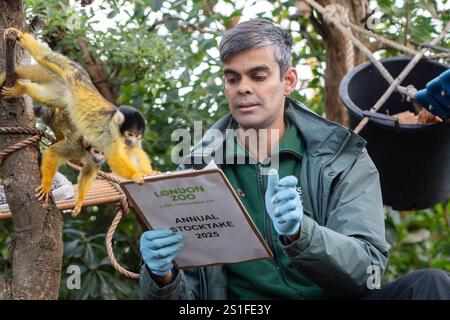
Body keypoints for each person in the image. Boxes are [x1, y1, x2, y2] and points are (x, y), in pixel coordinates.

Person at [139, 19, 450, 300]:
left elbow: (367, 271)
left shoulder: (343, 157)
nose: (243, 88)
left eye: (258, 76)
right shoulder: (195, 172)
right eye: (232, 79)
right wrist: (161, 277)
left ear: (288, 81)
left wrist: (302, 233)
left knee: (431, 286)